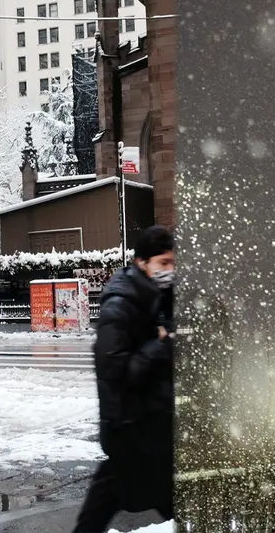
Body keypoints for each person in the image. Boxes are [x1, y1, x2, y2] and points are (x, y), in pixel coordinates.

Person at [73, 226, 176, 532]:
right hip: (130, 427)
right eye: (164, 263)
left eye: (174, 262)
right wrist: (162, 346)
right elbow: (114, 370)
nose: (170, 270)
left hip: (152, 424)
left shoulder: (159, 296)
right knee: (109, 499)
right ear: (142, 262)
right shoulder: (120, 304)